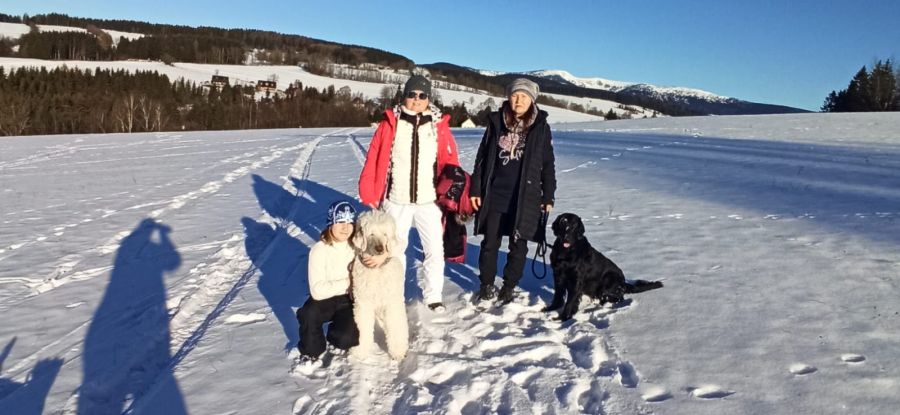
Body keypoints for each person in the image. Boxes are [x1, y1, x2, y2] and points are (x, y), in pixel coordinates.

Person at [358, 75, 461, 313]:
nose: (417, 99)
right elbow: (373, 157)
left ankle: (433, 296)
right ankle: (395, 295)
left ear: (429, 98)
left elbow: (450, 160)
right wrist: (369, 190)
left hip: (429, 200)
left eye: (422, 95)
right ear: (404, 96)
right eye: (412, 94)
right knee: (395, 250)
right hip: (397, 198)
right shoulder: (390, 123)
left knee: (435, 250)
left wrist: (452, 189)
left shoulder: (438, 126)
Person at [470, 78, 557, 305]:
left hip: (525, 197)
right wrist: (475, 189)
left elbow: (547, 164)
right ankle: (486, 284)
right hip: (495, 195)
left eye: (524, 97)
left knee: (518, 246)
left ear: (532, 100)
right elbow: (481, 159)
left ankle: (509, 286)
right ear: (509, 97)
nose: (518, 101)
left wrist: (548, 195)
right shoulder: (496, 122)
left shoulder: (541, 127)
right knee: (490, 243)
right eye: (515, 95)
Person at [295, 200, 360, 367]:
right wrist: (349, 282)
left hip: (349, 299)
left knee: (347, 339)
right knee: (309, 314)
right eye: (340, 222)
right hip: (324, 300)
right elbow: (317, 291)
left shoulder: (357, 246)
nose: (345, 227)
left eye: (350, 222)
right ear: (331, 223)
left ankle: (335, 334)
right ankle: (311, 351)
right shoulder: (319, 250)